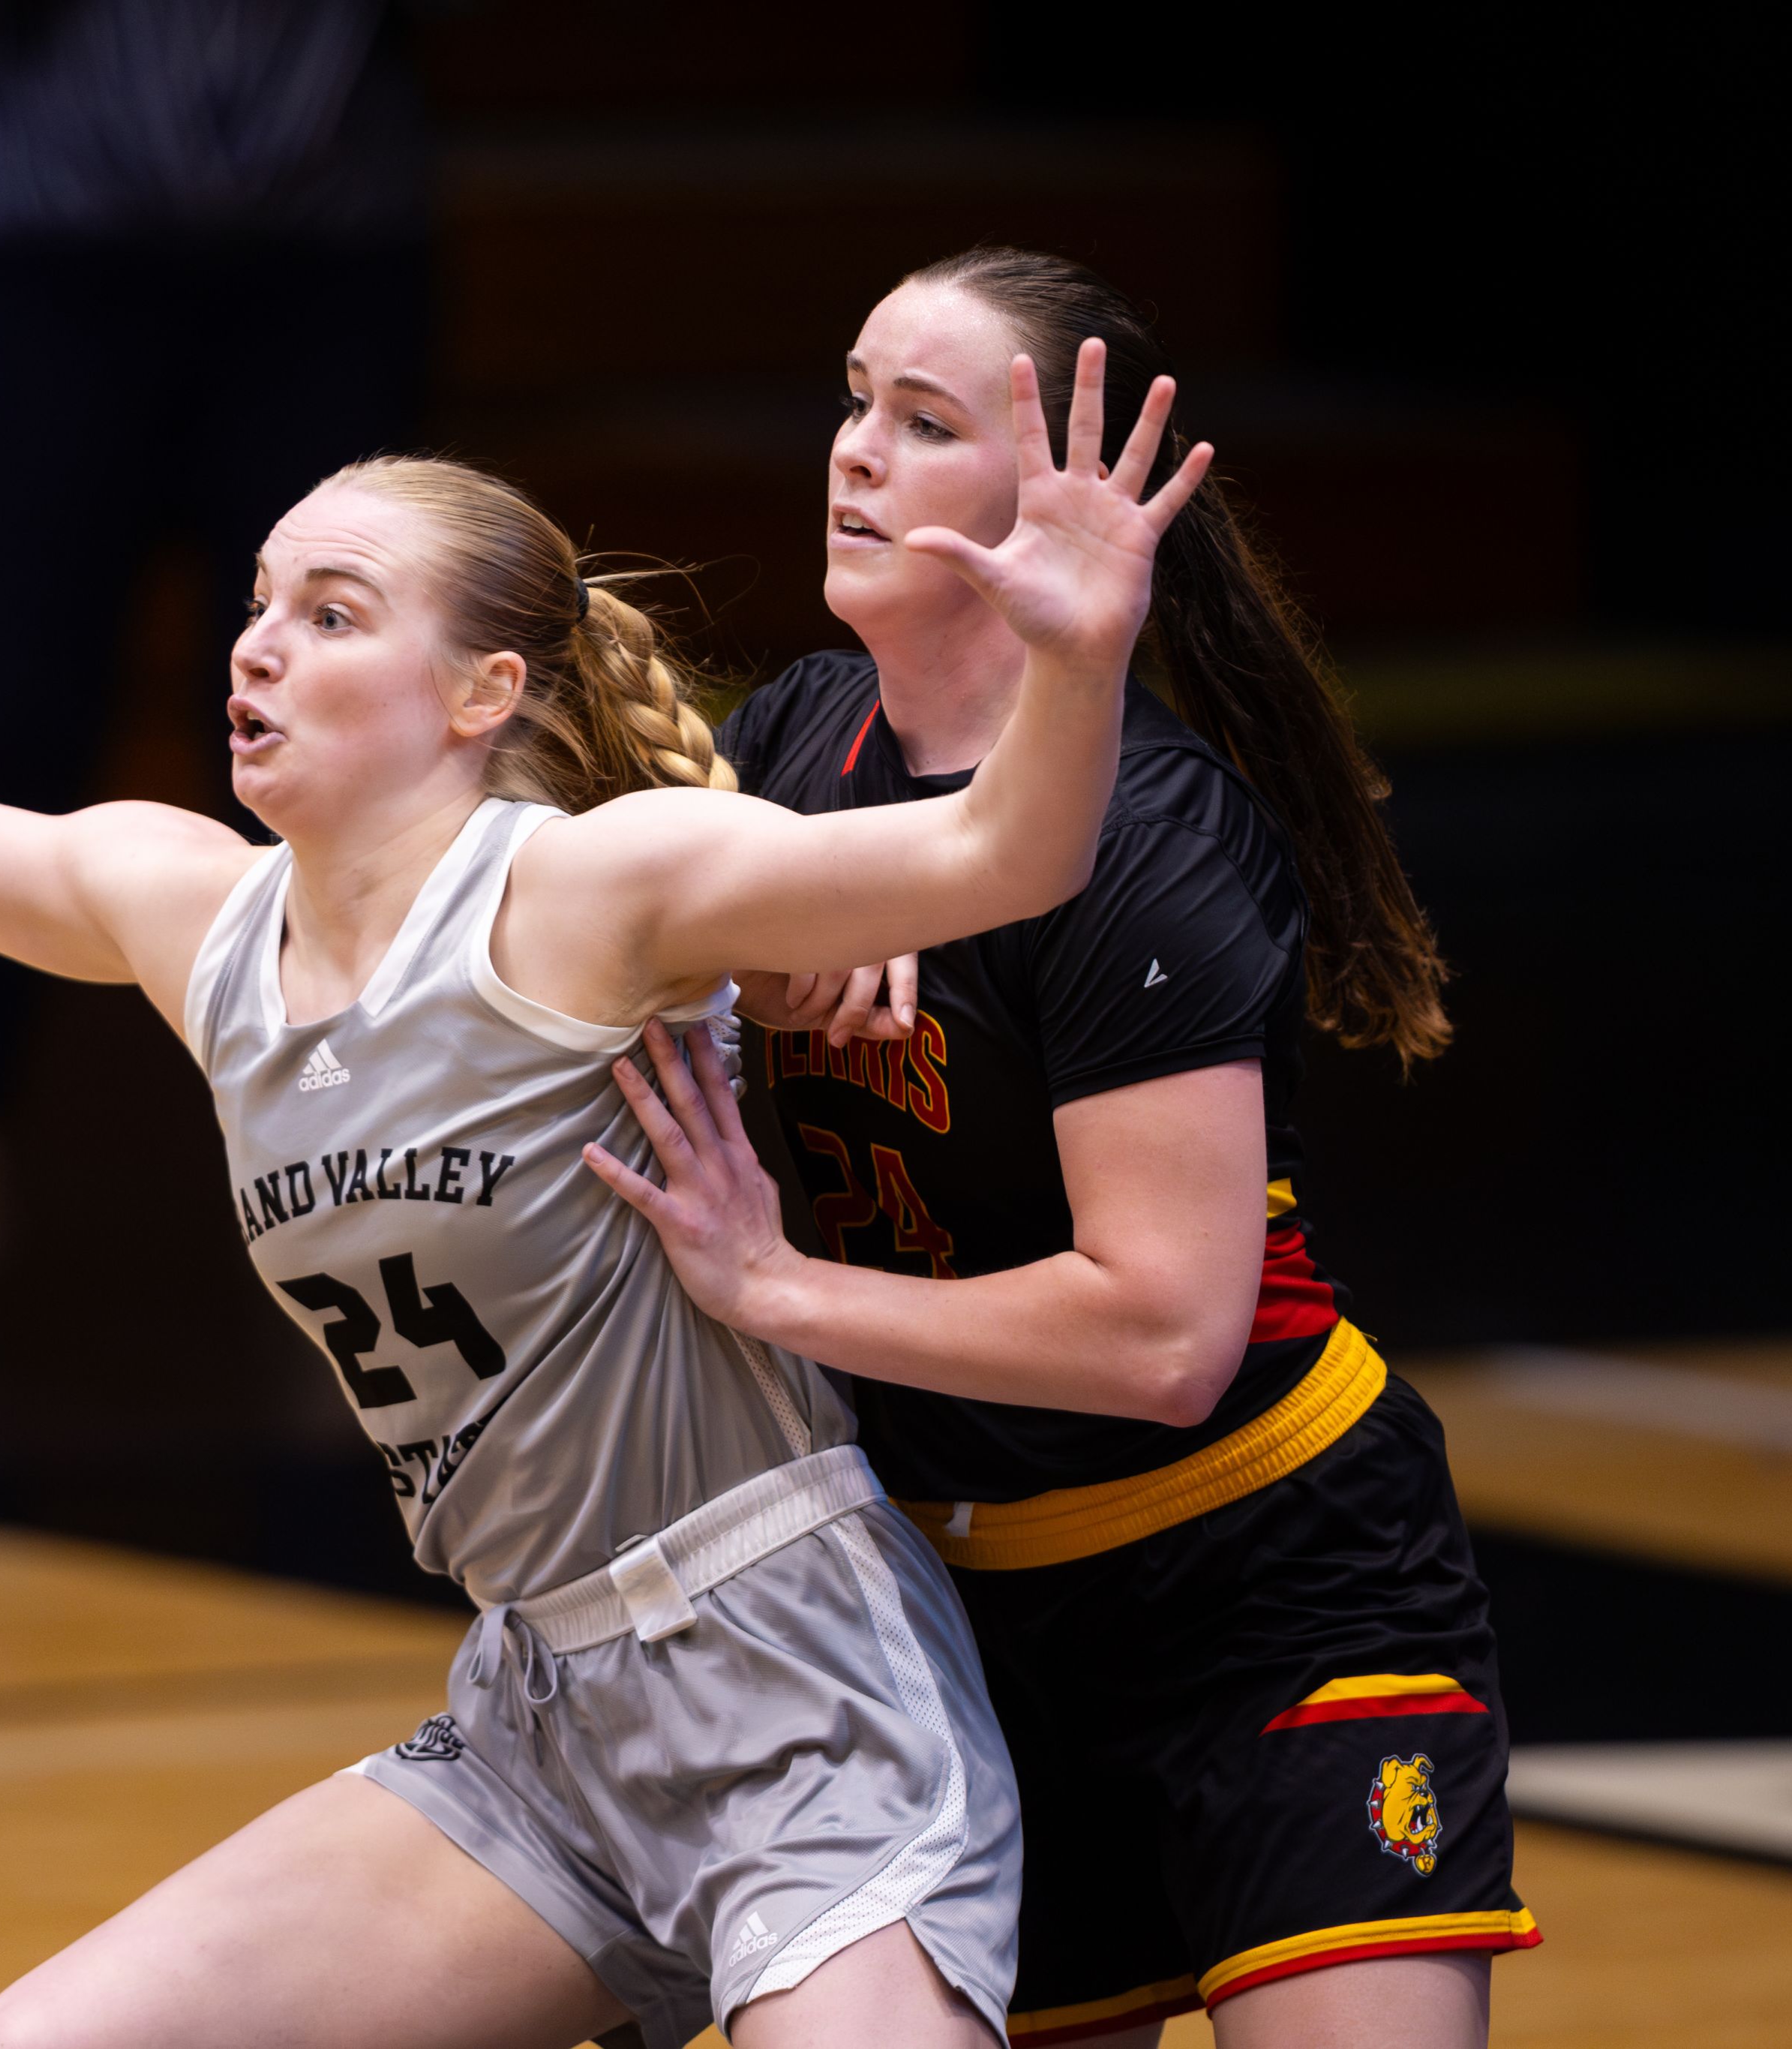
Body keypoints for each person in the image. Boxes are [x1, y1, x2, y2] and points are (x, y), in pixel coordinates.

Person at [0, 322, 1212, 2044]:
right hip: (538, 1723)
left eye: (330, 614)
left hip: (802, 1700)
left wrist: (1075, 651)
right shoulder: (197, 919)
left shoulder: (583, 892)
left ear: (477, 693)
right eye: (258, 605)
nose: (256, 646)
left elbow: (1008, 850)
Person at [587, 247, 1536, 2048]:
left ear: (1064, 510)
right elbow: (586, 977)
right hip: (972, 1625)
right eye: (853, 398)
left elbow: (1159, 1338)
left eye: (921, 422)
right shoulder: (792, 746)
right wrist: (749, 970)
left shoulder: (1147, 839)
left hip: (1267, 1588)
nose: (852, 453)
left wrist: (775, 1288)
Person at [0, 0, 434, 1347]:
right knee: (19, 716)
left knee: (334, 735)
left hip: (323, 240)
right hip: (54, 244)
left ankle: (347, 1200)